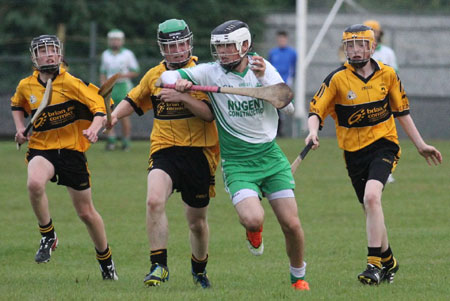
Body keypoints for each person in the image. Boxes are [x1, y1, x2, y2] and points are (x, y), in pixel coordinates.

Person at [160, 20, 309, 291]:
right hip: (238, 163)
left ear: (244, 45)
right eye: (219, 47)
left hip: (271, 158)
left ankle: (298, 277)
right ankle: (254, 230)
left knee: (291, 224)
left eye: (228, 47)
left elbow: (289, 107)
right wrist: (180, 82)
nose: (223, 53)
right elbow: (166, 78)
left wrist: (264, 81)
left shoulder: (261, 67)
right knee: (253, 218)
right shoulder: (210, 73)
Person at [305, 24, 442, 285]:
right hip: (353, 153)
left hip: (384, 145)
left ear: (372, 47)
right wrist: (312, 132)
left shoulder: (388, 75)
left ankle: (373, 265)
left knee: (371, 196)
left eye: (360, 45)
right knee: (371, 207)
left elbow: (402, 112)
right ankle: (389, 260)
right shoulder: (336, 79)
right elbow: (316, 110)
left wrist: (421, 145)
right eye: (350, 45)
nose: (355, 51)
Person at [105, 19, 219, 288]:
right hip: (164, 149)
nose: (178, 50)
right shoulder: (154, 75)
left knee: (197, 223)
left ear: (190, 43)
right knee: (154, 201)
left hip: (199, 154)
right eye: (171, 46)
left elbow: (209, 115)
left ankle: (199, 271)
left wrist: (183, 98)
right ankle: (158, 266)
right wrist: (110, 119)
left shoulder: (202, 74)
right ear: (162, 49)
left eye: (182, 44)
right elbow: (133, 100)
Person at [11, 35, 118, 280]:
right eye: (43, 51)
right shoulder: (26, 86)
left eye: (52, 50)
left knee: (86, 213)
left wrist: (94, 128)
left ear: (60, 54)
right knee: (34, 183)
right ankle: (48, 234)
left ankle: (106, 261)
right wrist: (19, 128)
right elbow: (17, 105)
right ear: (34, 57)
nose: (48, 55)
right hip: (42, 148)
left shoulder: (72, 83)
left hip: (72, 151)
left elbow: (100, 108)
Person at [100, 29, 139, 151]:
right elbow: (103, 72)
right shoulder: (105, 54)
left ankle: (126, 141)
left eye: (117, 40)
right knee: (109, 115)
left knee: (123, 116)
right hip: (111, 88)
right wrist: (103, 85)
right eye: (112, 40)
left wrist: (122, 76)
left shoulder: (128, 54)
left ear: (121, 41)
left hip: (124, 87)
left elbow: (136, 71)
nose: (115, 42)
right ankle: (111, 140)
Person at [268, 30, 297, 137]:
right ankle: (276, 130)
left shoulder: (292, 53)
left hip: (285, 84)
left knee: (284, 107)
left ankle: (281, 130)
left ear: (286, 39)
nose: (281, 41)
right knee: (274, 107)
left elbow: (294, 68)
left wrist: (291, 80)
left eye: (283, 39)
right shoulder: (273, 52)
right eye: (280, 39)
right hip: (274, 84)